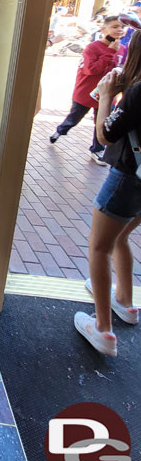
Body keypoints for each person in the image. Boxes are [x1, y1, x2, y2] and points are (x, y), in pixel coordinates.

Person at [75, 29, 141, 356]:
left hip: (127, 178)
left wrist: (104, 98)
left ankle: (103, 329)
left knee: (99, 247)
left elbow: (104, 136)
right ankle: (126, 303)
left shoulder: (138, 92)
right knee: (122, 237)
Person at [49, 16, 125, 164]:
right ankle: (60, 130)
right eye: (114, 26)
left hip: (106, 95)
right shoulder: (93, 47)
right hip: (85, 93)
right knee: (74, 117)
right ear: (104, 29)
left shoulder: (122, 49)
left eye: (121, 26)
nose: (119, 29)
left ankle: (97, 149)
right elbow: (91, 69)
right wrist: (109, 52)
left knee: (101, 123)